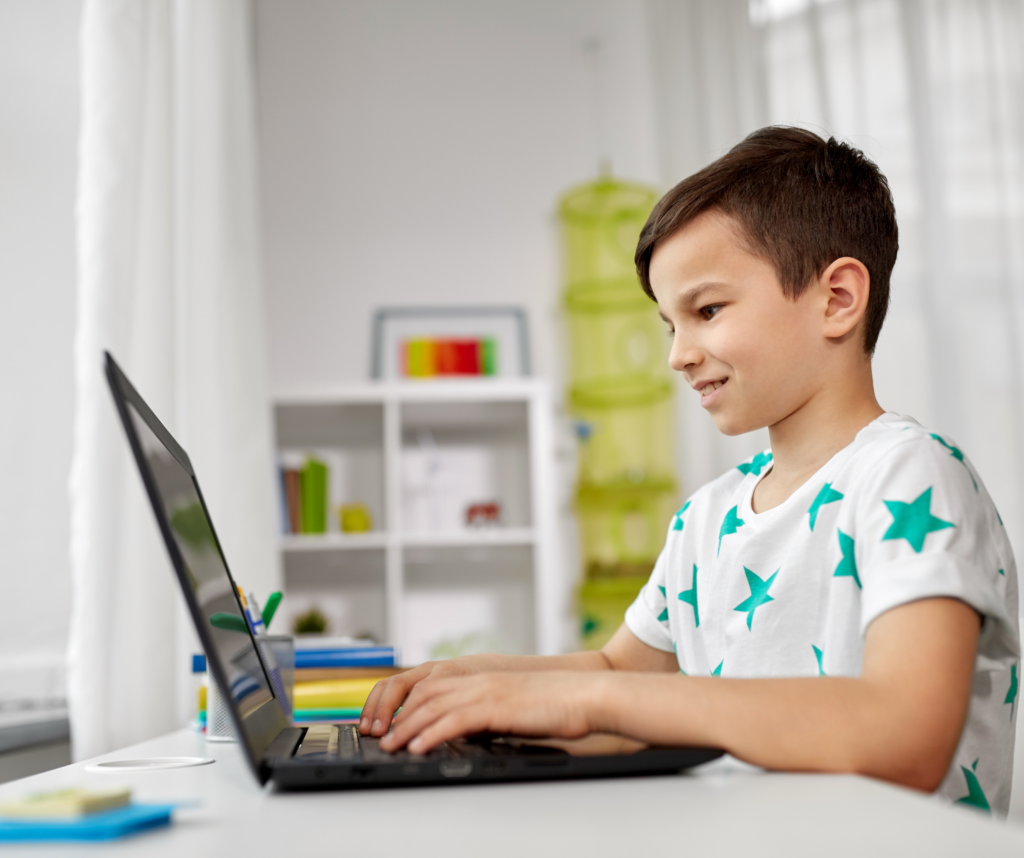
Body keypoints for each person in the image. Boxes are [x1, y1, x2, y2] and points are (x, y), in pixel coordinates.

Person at [359, 127, 1020, 814]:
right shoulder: (708, 517)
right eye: (669, 327)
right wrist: (470, 682)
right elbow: (617, 673)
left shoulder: (910, 476)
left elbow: (904, 736)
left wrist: (595, 697)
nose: (678, 355)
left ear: (837, 300)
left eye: (706, 311)